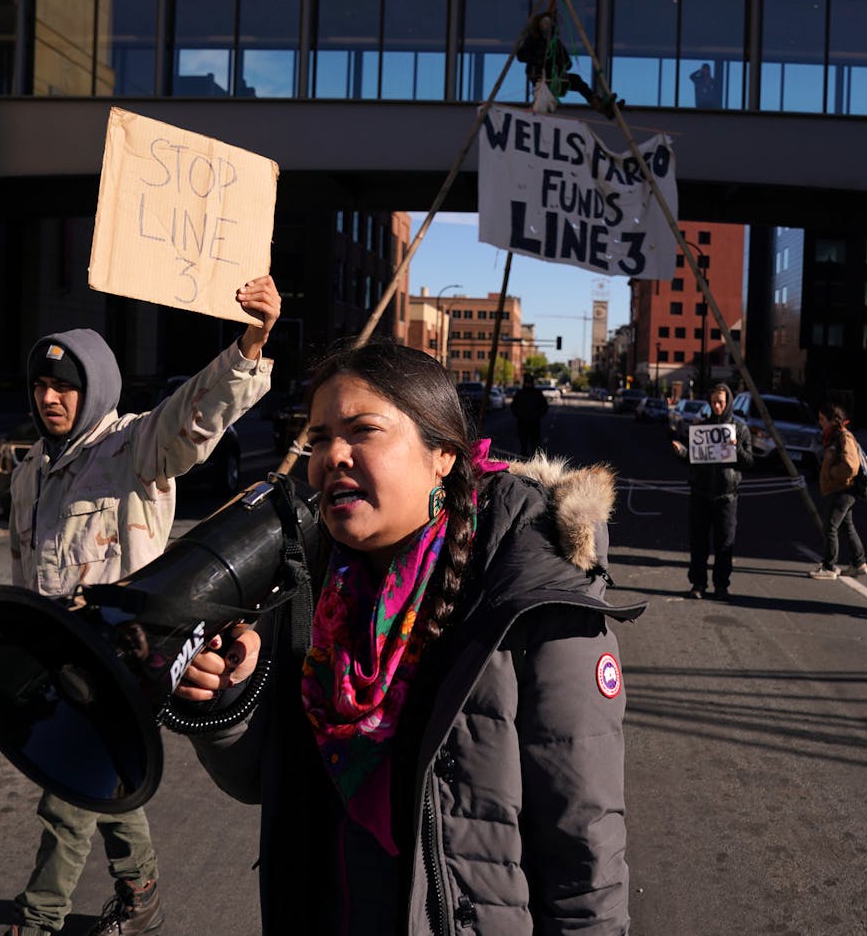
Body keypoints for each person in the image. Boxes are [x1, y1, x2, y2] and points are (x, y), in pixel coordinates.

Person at [173, 342, 643, 934]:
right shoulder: (302, 584)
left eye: (362, 430)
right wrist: (228, 699)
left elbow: (583, 845)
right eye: (318, 438)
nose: (332, 456)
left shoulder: (531, 590)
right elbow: (256, 783)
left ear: (442, 452)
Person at [1, 277, 281, 936]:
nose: (49, 397)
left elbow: (197, 412)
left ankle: (39, 918)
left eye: (65, 385)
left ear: (92, 386)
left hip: (127, 653)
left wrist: (253, 340)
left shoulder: (135, 447)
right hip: (61, 653)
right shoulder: (27, 473)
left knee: (70, 790)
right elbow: (24, 565)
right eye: (41, 385)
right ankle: (141, 892)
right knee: (111, 781)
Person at [670, 383, 753, 601]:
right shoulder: (702, 428)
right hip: (700, 494)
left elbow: (749, 462)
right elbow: (693, 459)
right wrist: (681, 451)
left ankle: (721, 585)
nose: (717, 406)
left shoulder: (740, 429)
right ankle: (698, 583)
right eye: (714, 402)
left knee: (724, 544)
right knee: (698, 543)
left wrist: (736, 448)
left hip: (727, 496)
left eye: (721, 402)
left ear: (728, 403)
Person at [517, 8, 622, 118]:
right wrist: (539, 60)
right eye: (544, 23)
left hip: (555, 78)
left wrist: (559, 63)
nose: (547, 26)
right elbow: (521, 56)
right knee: (545, 101)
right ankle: (601, 106)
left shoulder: (555, 42)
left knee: (576, 80)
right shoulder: (533, 39)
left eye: (549, 23)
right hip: (540, 77)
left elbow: (568, 63)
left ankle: (601, 106)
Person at [807, 402, 867, 580]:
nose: (820, 423)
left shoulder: (843, 437)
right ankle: (859, 563)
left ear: (832, 420)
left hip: (844, 490)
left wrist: (832, 473)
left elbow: (851, 466)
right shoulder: (834, 436)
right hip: (841, 488)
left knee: (830, 527)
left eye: (822, 419)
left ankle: (829, 566)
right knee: (846, 526)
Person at [510, 373, 550, 456]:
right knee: (523, 444)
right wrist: (519, 415)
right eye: (527, 382)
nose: (528, 384)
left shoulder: (537, 393)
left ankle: (533, 459)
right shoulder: (520, 393)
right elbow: (513, 406)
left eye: (529, 382)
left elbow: (545, 406)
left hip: (534, 422)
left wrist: (538, 415)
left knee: (534, 444)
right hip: (522, 422)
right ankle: (524, 458)